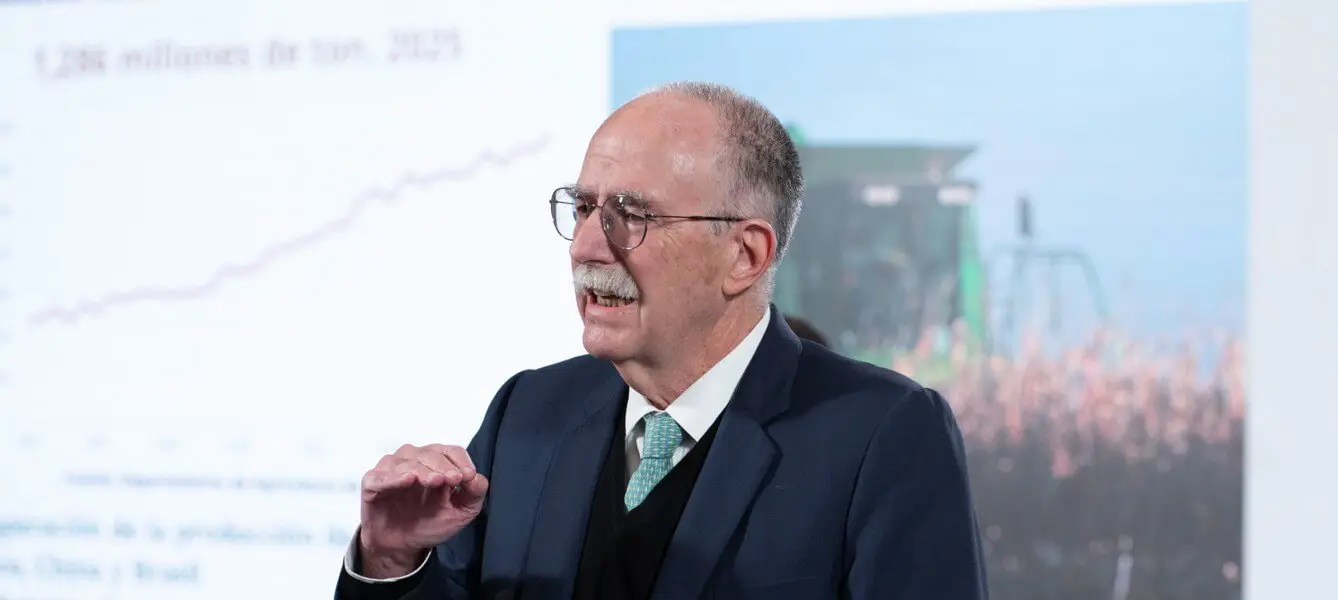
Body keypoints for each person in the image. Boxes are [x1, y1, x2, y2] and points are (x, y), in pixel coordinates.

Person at [335, 82, 988, 600]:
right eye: (584, 208)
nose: (588, 247)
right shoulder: (529, 413)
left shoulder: (879, 435)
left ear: (745, 254)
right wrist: (392, 562)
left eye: (632, 216)